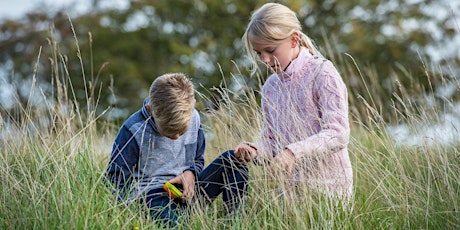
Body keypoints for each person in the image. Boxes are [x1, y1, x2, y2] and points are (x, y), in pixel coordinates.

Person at [234, 3, 353, 201]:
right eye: (258, 53)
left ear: (294, 39)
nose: (264, 59)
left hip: (329, 191)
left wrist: (292, 153)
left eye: (270, 50)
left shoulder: (322, 73)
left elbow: (338, 133)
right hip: (288, 195)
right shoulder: (270, 87)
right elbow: (272, 142)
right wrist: (254, 151)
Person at [105, 73, 248, 227]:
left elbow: (197, 159)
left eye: (181, 131)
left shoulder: (193, 117)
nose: (176, 137)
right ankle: (178, 221)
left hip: (189, 191)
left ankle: (234, 222)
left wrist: (191, 172)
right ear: (151, 111)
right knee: (175, 224)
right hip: (152, 197)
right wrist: (126, 212)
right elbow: (116, 178)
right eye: (169, 131)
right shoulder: (133, 129)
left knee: (233, 161)